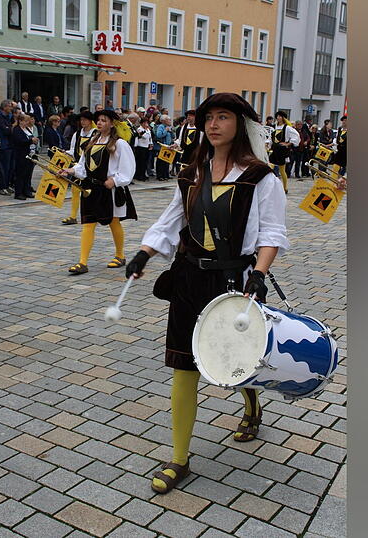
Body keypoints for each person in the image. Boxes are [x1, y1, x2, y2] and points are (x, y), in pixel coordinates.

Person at [123, 93, 288, 494]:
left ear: (240, 124)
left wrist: (259, 275)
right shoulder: (191, 174)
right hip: (189, 280)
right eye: (208, 118)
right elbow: (169, 222)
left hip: (237, 282)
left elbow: (272, 232)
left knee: (238, 359)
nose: (213, 124)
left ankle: (251, 404)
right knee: (184, 366)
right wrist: (144, 253)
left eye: (223, 117)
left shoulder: (260, 177)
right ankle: (179, 458)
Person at [60, 109, 137, 274]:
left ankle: (120, 255)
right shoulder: (92, 142)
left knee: (113, 221)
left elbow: (128, 168)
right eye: (99, 120)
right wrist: (70, 171)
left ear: (111, 123)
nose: (100, 123)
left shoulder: (119, 143)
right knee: (88, 223)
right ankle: (82, 262)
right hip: (91, 188)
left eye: (104, 120)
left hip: (109, 190)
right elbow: (82, 165)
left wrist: (115, 180)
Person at [61, 113, 97, 225]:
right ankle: (73, 216)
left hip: (91, 166)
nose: (82, 122)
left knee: (93, 191)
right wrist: (65, 153)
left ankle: (95, 213)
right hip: (78, 166)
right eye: (81, 120)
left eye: (85, 120)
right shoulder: (77, 134)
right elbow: (73, 150)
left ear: (90, 121)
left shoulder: (96, 134)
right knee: (75, 190)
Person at [269, 111, 299, 194]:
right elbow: (271, 137)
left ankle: (285, 187)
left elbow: (296, 135)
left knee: (282, 171)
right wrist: (268, 144)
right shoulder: (274, 127)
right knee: (269, 166)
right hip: (274, 149)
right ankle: (270, 185)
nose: (278, 118)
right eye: (277, 116)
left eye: (280, 116)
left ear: (283, 118)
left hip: (282, 150)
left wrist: (288, 143)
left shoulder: (287, 127)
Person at [10, 113, 38, 199]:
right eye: (25, 121)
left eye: (27, 121)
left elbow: (31, 137)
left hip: (30, 154)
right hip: (21, 155)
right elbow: (19, 141)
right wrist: (30, 140)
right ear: (20, 121)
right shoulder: (17, 129)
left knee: (28, 174)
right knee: (20, 174)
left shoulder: (27, 129)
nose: (27, 123)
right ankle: (19, 193)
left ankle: (26, 190)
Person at [0, 100, 16, 196]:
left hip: (10, 144)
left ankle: (7, 185)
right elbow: (6, 131)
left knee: (10, 167)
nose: (11, 108)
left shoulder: (9, 117)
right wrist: (12, 126)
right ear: (5, 107)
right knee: (4, 168)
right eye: (10, 106)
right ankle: (2, 187)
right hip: (3, 145)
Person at [153, 115, 175, 181]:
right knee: (161, 162)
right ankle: (160, 175)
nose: (170, 121)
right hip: (162, 147)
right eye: (168, 120)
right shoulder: (161, 126)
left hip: (168, 146)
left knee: (167, 161)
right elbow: (159, 135)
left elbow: (173, 136)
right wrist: (165, 130)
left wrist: (171, 131)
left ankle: (166, 174)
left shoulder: (169, 127)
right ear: (164, 121)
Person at [133, 116, 152, 182]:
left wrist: (150, 143)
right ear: (142, 123)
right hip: (141, 147)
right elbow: (144, 136)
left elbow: (150, 137)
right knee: (140, 162)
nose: (146, 124)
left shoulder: (147, 130)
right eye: (144, 122)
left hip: (146, 147)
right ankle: (139, 175)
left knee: (145, 162)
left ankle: (143, 174)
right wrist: (145, 130)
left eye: (147, 122)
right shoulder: (140, 129)